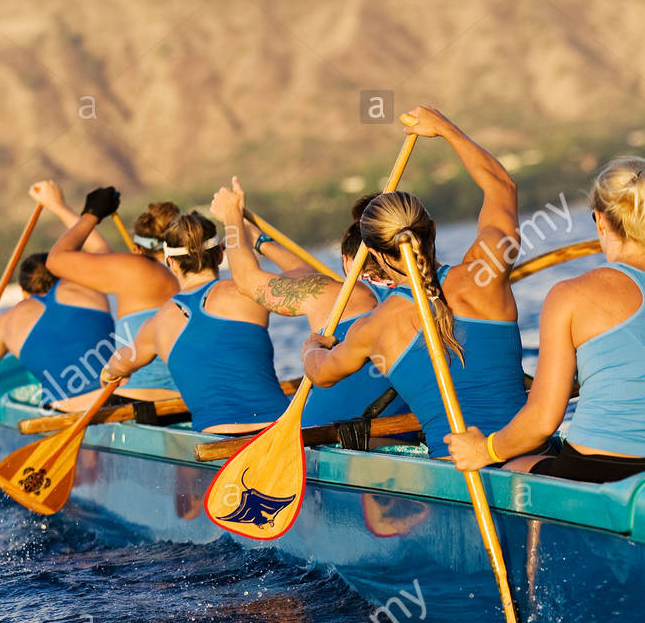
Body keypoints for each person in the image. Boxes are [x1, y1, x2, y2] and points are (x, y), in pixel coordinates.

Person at [302, 107, 528, 458]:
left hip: (460, 480)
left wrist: (313, 346)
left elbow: (321, 374)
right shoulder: (486, 274)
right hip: (529, 455)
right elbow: (502, 186)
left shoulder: (372, 329)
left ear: (374, 256)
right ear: (433, 229)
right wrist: (445, 129)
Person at [446, 157, 645, 482]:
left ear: (600, 221)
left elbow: (540, 423)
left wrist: (482, 450)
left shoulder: (571, 295)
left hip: (600, 469)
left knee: (512, 469)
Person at [210, 178, 408, 426]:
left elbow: (248, 282)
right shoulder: (423, 291)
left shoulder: (336, 294)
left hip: (334, 441)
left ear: (348, 262)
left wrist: (231, 218)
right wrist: (259, 240)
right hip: (406, 429)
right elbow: (305, 272)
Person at [99, 211, 290, 433]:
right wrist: (261, 242)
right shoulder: (250, 293)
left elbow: (122, 361)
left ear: (171, 263)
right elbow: (310, 277)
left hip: (214, 439)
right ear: (220, 254)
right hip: (280, 430)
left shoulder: (155, 325)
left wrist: (110, 372)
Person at [29, 179, 180, 400]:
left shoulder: (138, 270)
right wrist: (60, 207)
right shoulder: (193, 265)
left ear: (137, 249)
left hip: (144, 401)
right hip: (190, 397)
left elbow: (56, 260)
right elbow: (101, 250)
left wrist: (91, 215)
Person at [0, 250, 115, 410]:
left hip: (66, 411)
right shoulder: (90, 290)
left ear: (22, 290)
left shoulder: (7, 321)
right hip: (120, 395)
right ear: (61, 276)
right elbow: (104, 252)